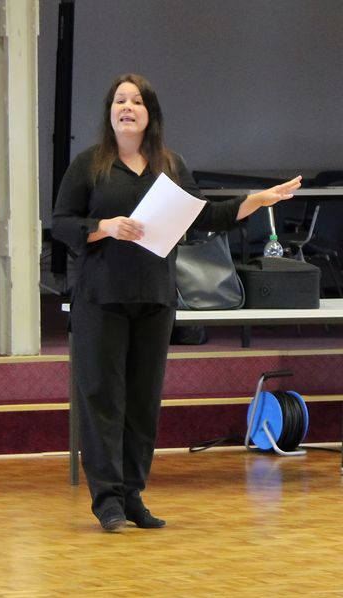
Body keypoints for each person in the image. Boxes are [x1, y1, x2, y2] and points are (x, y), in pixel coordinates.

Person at [51, 73, 301, 532]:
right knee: (103, 399)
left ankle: (132, 495)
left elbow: (205, 216)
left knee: (143, 401)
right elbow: (62, 223)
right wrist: (105, 226)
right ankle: (106, 500)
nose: (127, 107)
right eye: (119, 101)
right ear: (109, 112)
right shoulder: (89, 165)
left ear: (150, 114)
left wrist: (255, 201)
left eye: (136, 101)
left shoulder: (170, 165)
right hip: (101, 299)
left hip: (155, 299)